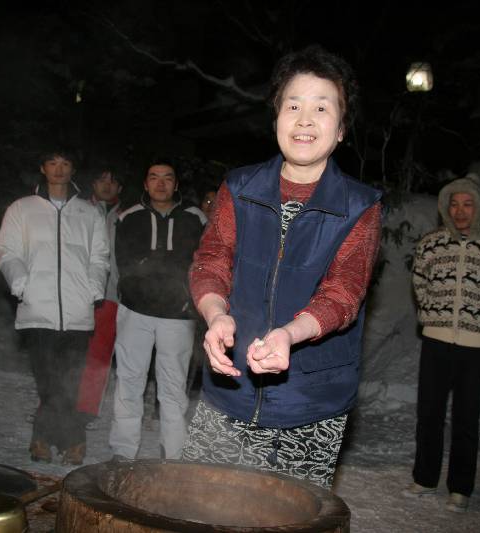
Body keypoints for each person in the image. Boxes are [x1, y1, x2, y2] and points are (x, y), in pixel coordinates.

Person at [183, 44, 383, 489]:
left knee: (290, 514)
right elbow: (212, 260)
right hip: (230, 388)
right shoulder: (240, 186)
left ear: (341, 129)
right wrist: (216, 316)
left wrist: (289, 334)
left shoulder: (360, 206)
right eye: (293, 105)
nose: (304, 119)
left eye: (321, 107)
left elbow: (344, 292)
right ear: (276, 118)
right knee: (205, 504)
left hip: (311, 403)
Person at [403, 173, 480, 512]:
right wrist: (432, 314)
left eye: (467, 204)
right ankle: (425, 478)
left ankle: (460, 487)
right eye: (453, 204)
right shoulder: (431, 244)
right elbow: (420, 283)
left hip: (476, 345)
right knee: (429, 412)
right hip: (436, 340)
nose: (459, 211)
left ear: (479, 207)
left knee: (466, 417)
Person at [0, 149, 110, 465]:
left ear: (73, 169)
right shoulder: (22, 209)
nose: (59, 170)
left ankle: (52, 439)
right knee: (47, 381)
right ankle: (63, 439)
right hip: (37, 309)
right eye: (52, 163)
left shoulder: (89, 213)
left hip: (77, 311)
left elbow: (99, 257)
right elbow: (7, 252)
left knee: (70, 380)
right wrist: (22, 284)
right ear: (42, 168)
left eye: (65, 163)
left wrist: (92, 289)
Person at [109, 157, 206, 460]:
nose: (160, 184)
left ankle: (173, 453)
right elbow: (121, 263)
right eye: (154, 177)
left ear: (176, 184)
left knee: (173, 387)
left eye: (167, 178)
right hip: (135, 311)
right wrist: (131, 289)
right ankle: (123, 450)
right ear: (145, 183)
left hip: (178, 313)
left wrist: (191, 298)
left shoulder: (195, 218)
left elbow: (203, 264)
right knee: (129, 381)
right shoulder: (129, 217)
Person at [76, 168, 123, 424]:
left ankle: (86, 409)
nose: (107, 185)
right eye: (102, 180)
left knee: (99, 354)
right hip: (74, 291)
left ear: (120, 188)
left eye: (113, 181)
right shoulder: (77, 210)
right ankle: (54, 405)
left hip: (110, 294)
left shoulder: (125, 216)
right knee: (66, 350)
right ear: (93, 183)